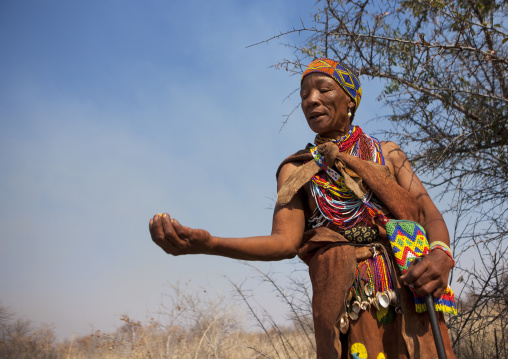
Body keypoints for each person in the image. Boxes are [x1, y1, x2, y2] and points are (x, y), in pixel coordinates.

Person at [149, 58, 457, 358]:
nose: (311, 100)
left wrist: (442, 254)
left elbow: (427, 211)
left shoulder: (386, 154)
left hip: (408, 289)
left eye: (323, 89)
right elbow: (284, 243)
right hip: (349, 304)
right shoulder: (297, 170)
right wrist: (211, 244)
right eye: (304, 95)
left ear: (350, 100)